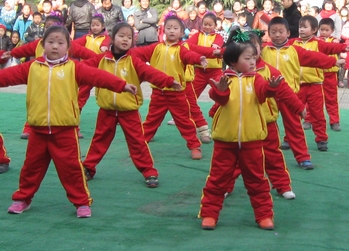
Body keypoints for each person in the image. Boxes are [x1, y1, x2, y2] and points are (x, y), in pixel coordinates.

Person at [1, 25, 137, 218]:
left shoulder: (75, 68)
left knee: (72, 170)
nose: (55, 46)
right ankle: (22, 199)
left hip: (65, 131)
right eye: (50, 42)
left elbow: (98, 77)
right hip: (38, 131)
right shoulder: (32, 68)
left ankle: (81, 202)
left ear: (68, 47)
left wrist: (121, 85)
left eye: (60, 43)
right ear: (42, 45)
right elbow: (6, 77)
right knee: (31, 168)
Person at [199, 30, 283, 231]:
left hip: (252, 141)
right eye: (248, 58)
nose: (253, 62)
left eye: (254, 57)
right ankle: (210, 214)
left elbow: (263, 95)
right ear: (233, 62)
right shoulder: (223, 79)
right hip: (224, 142)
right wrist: (219, 89)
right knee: (217, 179)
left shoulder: (256, 80)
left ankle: (264, 215)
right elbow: (219, 97)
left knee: (257, 180)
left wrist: (271, 88)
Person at [82, 23, 181, 187]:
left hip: (129, 111)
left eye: (129, 37)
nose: (125, 39)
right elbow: (82, 69)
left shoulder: (134, 61)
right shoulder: (101, 59)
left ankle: (149, 172)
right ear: (112, 38)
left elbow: (151, 73)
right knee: (99, 140)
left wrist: (168, 81)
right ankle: (88, 167)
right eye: (121, 36)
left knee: (137, 142)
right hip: (106, 110)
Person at [221, 30, 305, 200]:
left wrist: (299, 107)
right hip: (241, 126)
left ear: (261, 48)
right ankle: (226, 186)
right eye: (246, 54)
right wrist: (215, 109)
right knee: (236, 160)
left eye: (255, 49)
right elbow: (223, 96)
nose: (252, 56)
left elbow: (285, 91)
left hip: (267, 124)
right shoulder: (232, 74)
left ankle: (282, 186)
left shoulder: (269, 71)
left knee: (273, 157)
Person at [262, 17, 338, 169]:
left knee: (294, 125)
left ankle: (303, 157)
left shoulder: (294, 50)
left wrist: (333, 62)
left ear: (288, 33)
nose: (277, 35)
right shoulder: (263, 50)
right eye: (273, 32)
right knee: (263, 123)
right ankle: (259, 154)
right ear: (269, 34)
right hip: (267, 94)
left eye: (281, 31)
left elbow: (314, 58)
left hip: (288, 94)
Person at [131, 16, 208, 159]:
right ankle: (140, 146)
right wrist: (122, 51)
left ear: (181, 32)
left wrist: (199, 59)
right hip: (158, 93)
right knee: (151, 121)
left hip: (177, 94)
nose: (172, 30)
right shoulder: (156, 47)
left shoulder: (181, 49)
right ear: (163, 30)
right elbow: (138, 53)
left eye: (175, 28)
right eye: (168, 28)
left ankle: (194, 146)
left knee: (184, 121)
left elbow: (190, 56)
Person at [289, 16, 348, 150]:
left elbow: (331, 47)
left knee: (317, 113)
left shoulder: (318, 43)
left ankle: (321, 139)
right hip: (297, 85)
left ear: (314, 30)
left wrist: (344, 48)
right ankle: (289, 139)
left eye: (305, 27)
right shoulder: (292, 43)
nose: (301, 30)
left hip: (315, 84)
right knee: (293, 113)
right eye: (300, 27)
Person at [187, 14, 224, 100]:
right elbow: (187, 45)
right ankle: (189, 112)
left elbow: (214, 51)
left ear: (215, 25)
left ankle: (219, 111)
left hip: (215, 71)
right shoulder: (197, 35)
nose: (207, 27)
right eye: (205, 24)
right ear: (201, 24)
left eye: (210, 25)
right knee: (191, 95)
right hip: (199, 71)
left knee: (221, 92)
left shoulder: (218, 37)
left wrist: (196, 49)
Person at [318, 18, 342, 131]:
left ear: (332, 30)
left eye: (326, 30)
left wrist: (337, 44)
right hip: (318, 73)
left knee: (331, 98)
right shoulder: (316, 41)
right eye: (322, 29)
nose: (324, 32)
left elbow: (341, 48)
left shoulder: (335, 41)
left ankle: (334, 121)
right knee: (315, 98)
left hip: (331, 73)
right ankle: (309, 119)